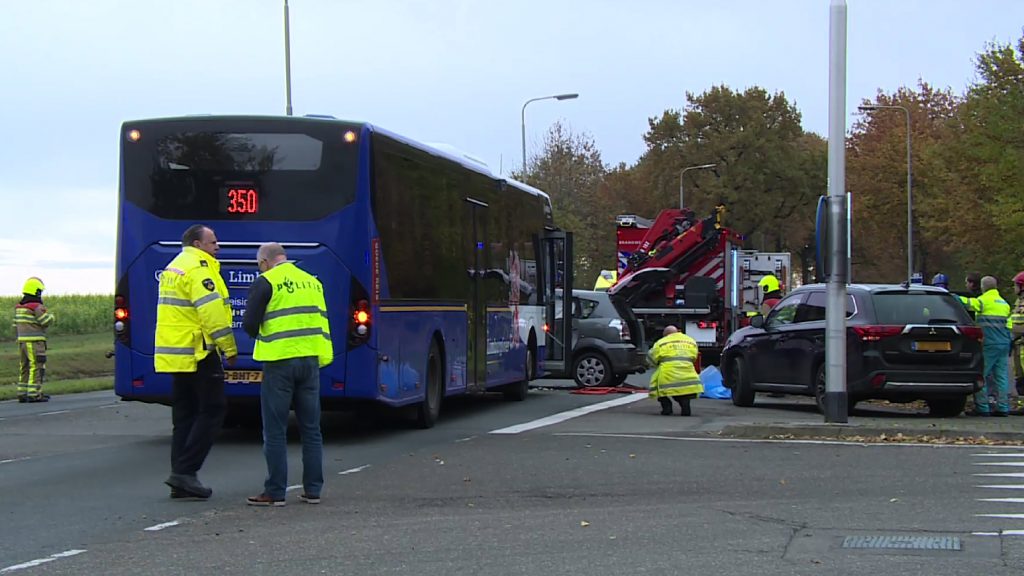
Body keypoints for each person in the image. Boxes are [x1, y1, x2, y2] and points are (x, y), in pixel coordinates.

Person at [243, 242, 333, 506]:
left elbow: (250, 324)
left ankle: (275, 491)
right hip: (310, 360)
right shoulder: (312, 282)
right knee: (311, 429)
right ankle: (313, 490)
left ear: (264, 262)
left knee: (275, 429)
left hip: (280, 361)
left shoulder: (266, 281)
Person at [155, 224, 237, 500]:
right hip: (199, 352)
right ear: (198, 244)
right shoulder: (199, 268)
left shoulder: (174, 266)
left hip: (178, 354)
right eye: (213, 242)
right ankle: (186, 471)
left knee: (185, 415)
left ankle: (180, 475)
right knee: (213, 409)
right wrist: (228, 347)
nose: (217, 247)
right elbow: (212, 313)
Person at [960, 276, 1012, 416]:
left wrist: (952, 297)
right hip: (1004, 343)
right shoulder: (1004, 303)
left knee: (981, 375)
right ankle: (1003, 407)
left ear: (983, 287)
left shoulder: (984, 301)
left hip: (989, 343)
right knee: (1001, 377)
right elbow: (1008, 325)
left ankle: (982, 407)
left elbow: (969, 303)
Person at [13, 277, 55, 403]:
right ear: (36, 292)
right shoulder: (36, 307)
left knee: (24, 367)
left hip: (22, 342)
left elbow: (15, 326)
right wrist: (52, 316)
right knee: (36, 366)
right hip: (35, 342)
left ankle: (22, 392)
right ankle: (34, 394)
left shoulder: (19, 308)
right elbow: (45, 321)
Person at [648, 325, 703, 416]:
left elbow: (652, 358)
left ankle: (666, 406)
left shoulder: (661, 342)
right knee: (683, 393)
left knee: (656, 385)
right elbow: (694, 357)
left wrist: (655, 364)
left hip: (667, 375)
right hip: (688, 374)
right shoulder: (690, 341)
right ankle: (684, 403)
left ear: (666, 334)